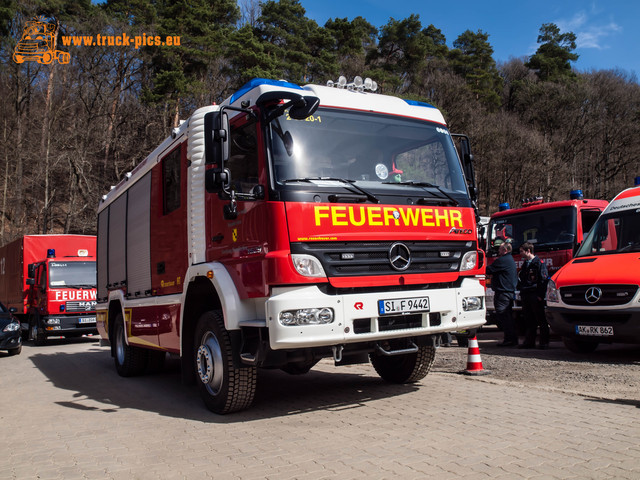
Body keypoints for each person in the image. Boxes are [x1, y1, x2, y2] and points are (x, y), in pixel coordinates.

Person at [518, 242, 550, 349]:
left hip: (535, 295)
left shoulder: (539, 263)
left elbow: (543, 280)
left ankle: (544, 342)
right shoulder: (526, 264)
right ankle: (529, 341)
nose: (520, 253)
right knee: (529, 319)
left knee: (540, 319)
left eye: (522, 251)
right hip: (526, 295)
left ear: (528, 251)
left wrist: (540, 295)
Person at [487, 242, 518, 346]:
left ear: (505, 250)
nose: (498, 251)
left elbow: (488, 269)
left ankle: (509, 339)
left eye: (500, 249)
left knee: (504, 316)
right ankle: (511, 339)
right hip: (507, 292)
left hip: (503, 292)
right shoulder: (510, 260)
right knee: (507, 316)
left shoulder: (502, 260)